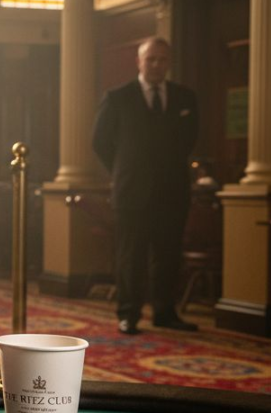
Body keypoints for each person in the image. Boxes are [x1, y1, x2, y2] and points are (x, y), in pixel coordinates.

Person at [92, 37, 200, 335]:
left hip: (173, 191)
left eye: (162, 59)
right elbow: (100, 142)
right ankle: (128, 314)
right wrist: (124, 170)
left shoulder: (184, 98)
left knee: (168, 256)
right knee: (132, 257)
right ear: (139, 61)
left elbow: (190, 140)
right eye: (150, 59)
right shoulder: (118, 97)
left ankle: (165, 312)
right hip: (131, 192)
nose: (156, 65)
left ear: (169, 63)